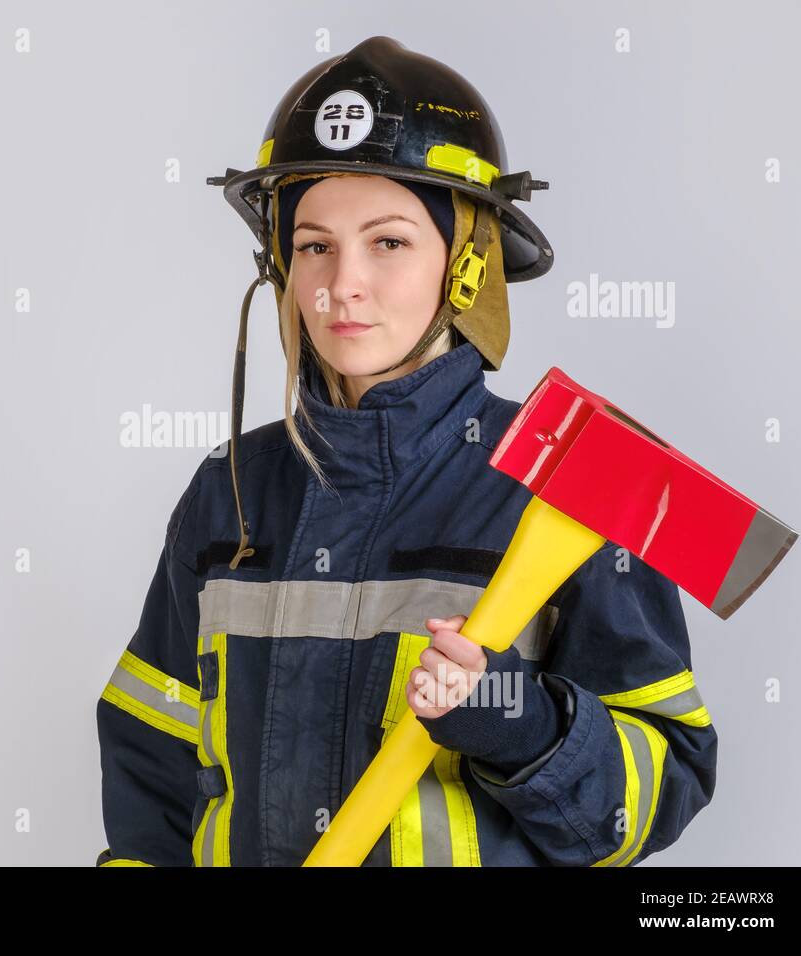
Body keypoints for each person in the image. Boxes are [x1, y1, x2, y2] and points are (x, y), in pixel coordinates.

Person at [95, 36, 717, 867]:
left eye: (388, 242)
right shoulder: (230, 493)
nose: (341, 283)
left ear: (467, 266)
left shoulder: (568, 489)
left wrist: (514, 718)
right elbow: (151, 764)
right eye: (313, 244)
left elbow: (661, 789)